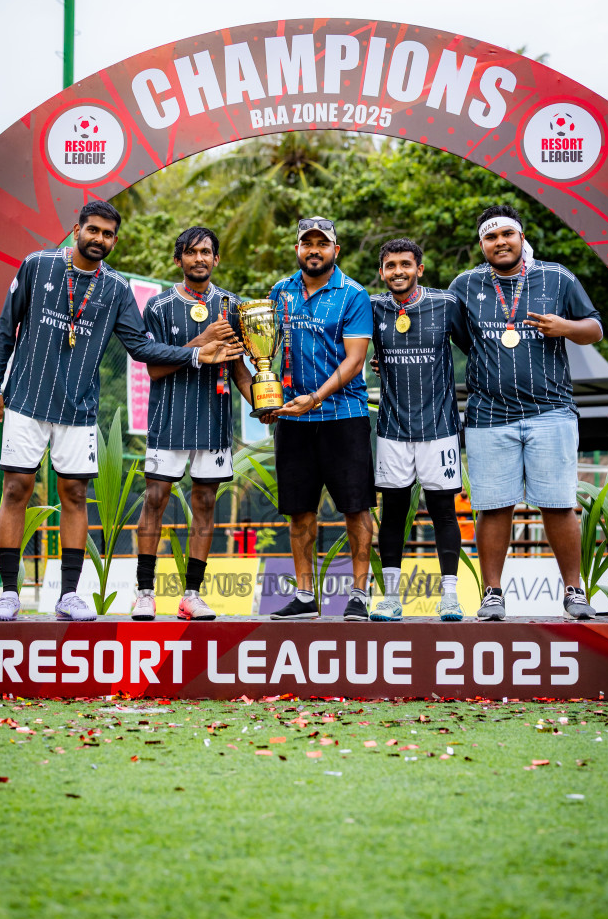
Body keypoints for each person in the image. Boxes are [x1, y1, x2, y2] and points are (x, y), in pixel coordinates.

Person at [0, 202, 242, 622]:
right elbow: (5, 326)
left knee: (74, 494)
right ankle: (8, 594)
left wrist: (195, 354)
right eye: (93, 230)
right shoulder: (37, 265)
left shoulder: (117, 288)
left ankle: (69, 594)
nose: (99, 239)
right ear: (76, 230)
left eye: (107, 234)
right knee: (15, 489)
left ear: (114, 241)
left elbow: (141, 348)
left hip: (80, 407)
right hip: (26, 399)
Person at [450, 204, 603, 620]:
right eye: (490, 237)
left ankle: (573, 591)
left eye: (507, 235)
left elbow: (595, 328)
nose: (500, 243)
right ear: (481, 244)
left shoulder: (556, 277)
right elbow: (460, 338)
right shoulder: (464, 285)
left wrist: (565, 327)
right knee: (493, 506)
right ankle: (493, 594)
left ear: (521, 237)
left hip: (551, 411)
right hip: (488, 414)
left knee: (557, 503)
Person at [131, 226, 253, 621]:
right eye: (191, 252)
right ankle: (144, 591)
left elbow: (239, 370)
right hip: (169, 419)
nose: (199, 258)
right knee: (155, 501)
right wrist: (201, 342)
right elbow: (154, 367)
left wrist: (264, 406)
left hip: (213, 421)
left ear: (216, 259)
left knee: (204, 503)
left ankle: (192, 595)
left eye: (206, 252)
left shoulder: (232, 306)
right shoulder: (159, 306)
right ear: (178, 259)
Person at [266, 216, 375, 620]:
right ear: (297, 248)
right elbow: (268, 349)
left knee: (355, 506)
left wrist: (315, 397)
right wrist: (267, 398)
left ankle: (360, 594)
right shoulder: (280, 291)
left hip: (343, 414)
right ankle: (305, 596)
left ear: (336, 250)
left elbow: (355, 359)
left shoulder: (353, 294)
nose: (314, 249)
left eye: (322, 243)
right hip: (294, 418)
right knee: (299, 511)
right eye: (306, 243)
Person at [370, 238, 467, 622]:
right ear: (382, 272)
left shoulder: (445, 305)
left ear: (419, 269)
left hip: (440, 427)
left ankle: (451, 598)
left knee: (443, 511)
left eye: (405, 264)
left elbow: (474, 348)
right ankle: (391, 600)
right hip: (392, 428)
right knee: (393, 513)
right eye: (390, 265)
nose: (398, 271)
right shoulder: (373, 307)